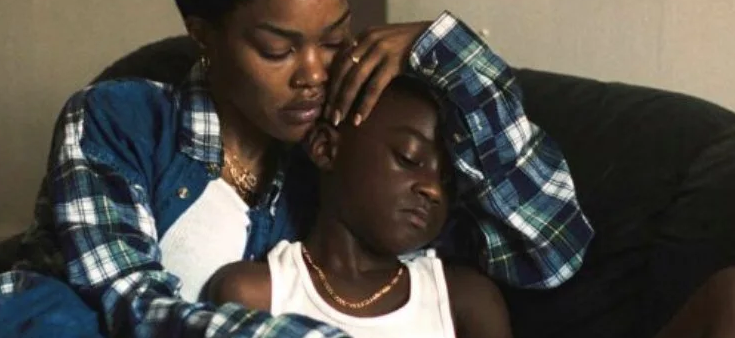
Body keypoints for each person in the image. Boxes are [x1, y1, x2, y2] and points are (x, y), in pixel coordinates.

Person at [0, 0, 735, 338]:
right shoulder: (118, 121)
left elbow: (549, 251)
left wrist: (449, 51)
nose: (313, 73)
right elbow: (127, 300)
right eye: (279, 47)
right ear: (203, 33)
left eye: (333, 38)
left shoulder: (348, 148)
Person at [208, 76, 511, 338]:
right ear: (326, 148)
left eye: (447, 181)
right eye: (408, 157)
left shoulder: (464, 300)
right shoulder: (258, 293)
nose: (433, 190)